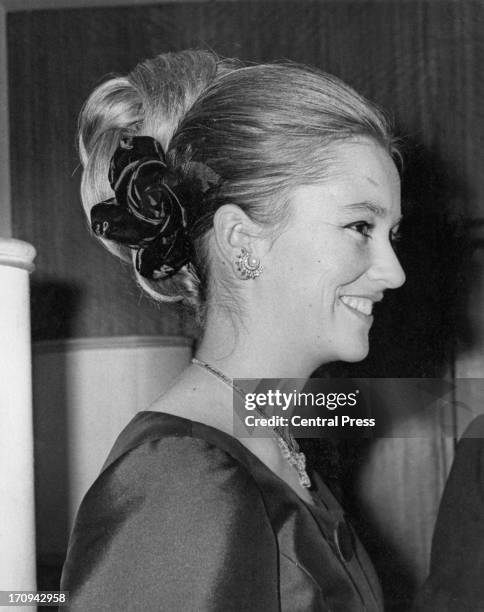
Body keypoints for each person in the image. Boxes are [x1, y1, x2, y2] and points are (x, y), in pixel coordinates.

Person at [60, 49, 405, 611]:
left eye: (392, 233)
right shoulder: (180, 478)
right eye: (360, 225)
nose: (394, 271)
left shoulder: (273, 445)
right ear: (241, 240)